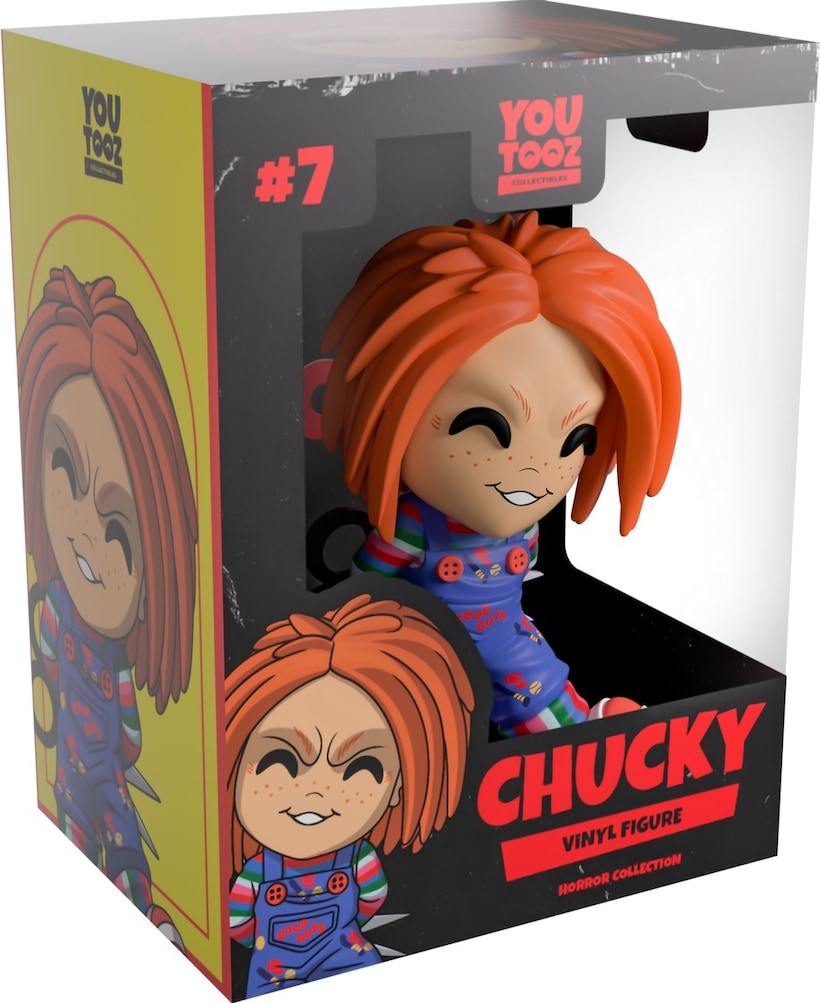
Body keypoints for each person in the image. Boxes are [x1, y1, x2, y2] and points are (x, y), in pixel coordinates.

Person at [322, 212, 680, 736]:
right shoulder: (412, 526)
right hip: (425, 651)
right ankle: (572, 734)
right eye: (487, 426)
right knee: (516, 677)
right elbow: (362, 589)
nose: (536, 470)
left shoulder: (523, 527)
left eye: (575, 439)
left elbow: (523, 575)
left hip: (508, 631)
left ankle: (575, 729)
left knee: (527, 663)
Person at [18, 265, 198, 941]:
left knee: (119, 840)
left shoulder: (91, 640)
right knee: (90, 825)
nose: (83, 531)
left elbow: (125, 726)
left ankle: (142, 900)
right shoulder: (59, 612)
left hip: (91, 770)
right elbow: (126, 730)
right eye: (61, 466)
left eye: (119, 529)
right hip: (76, 766)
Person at [225, 593, 473, 995]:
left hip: (348, 965)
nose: (316, 791)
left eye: (362, 767)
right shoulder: (259, 871)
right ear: (236, 761)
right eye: (282, 759)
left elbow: (241, 924)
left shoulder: (356, 857)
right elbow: (236, 923)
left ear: (398, 786)